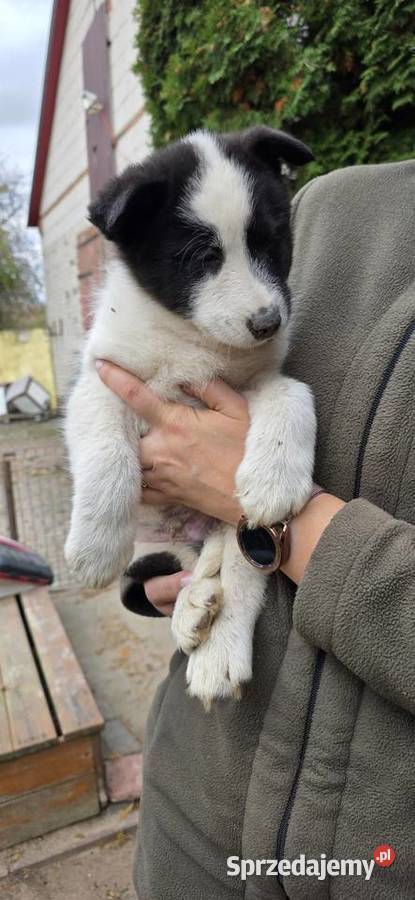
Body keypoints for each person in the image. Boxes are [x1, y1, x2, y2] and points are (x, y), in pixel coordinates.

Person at [96, 159, 415, 899]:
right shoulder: (336, 203)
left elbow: (246, 482)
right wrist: (162, 570)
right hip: (189, 831)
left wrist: (292, 527)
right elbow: (194, 418)